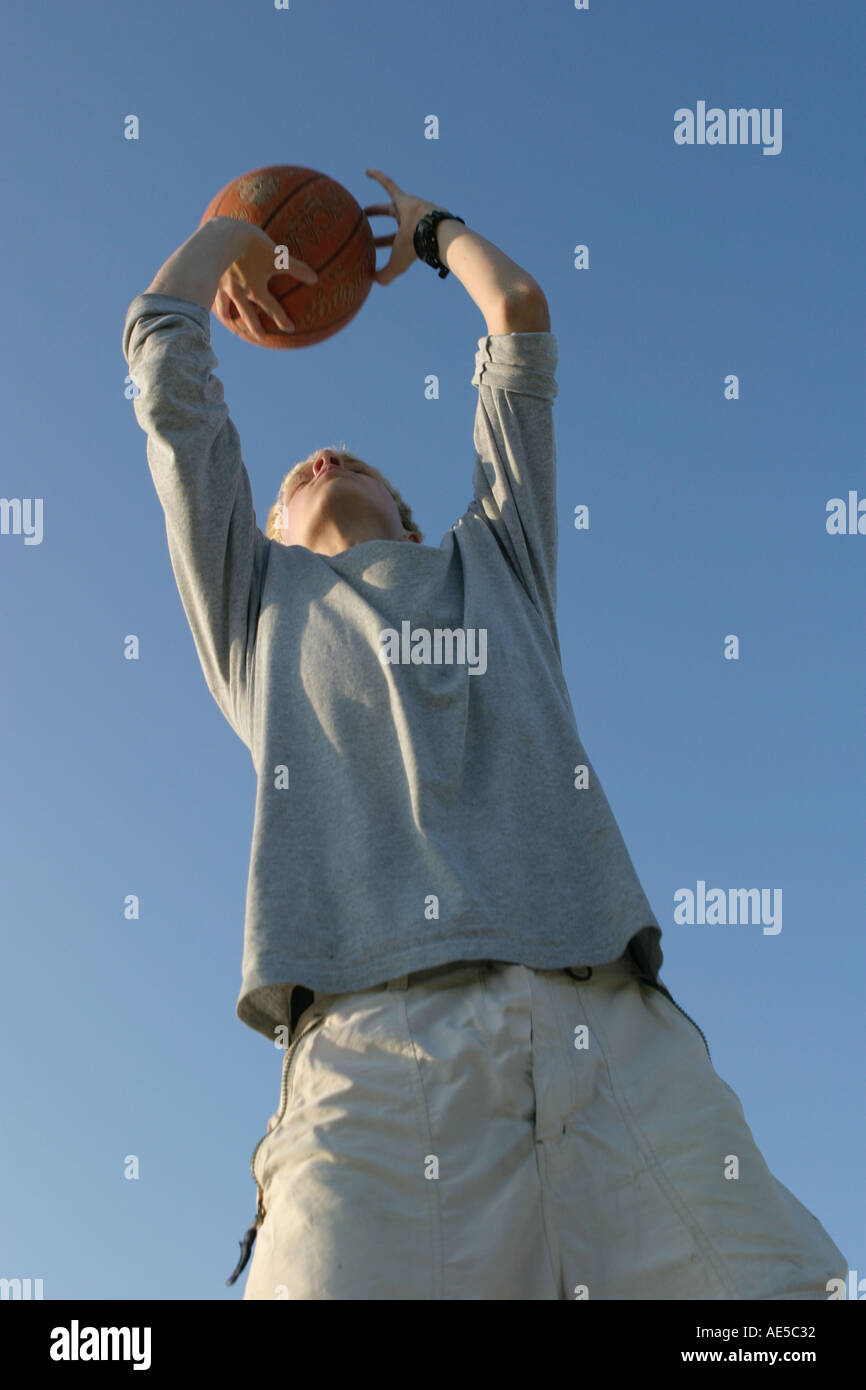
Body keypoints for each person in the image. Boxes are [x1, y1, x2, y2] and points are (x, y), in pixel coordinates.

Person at [121, 168, 848, 1300]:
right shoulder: (254, 610)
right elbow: (165, 354)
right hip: (372, 1046)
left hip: (607, 1034)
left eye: (353, 455)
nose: (324, 456)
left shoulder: (492, 564)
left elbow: (517, 320)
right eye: (298, 470)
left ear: (411, 513)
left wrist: (428, 234)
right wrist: (232, 234)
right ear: (260, 524)